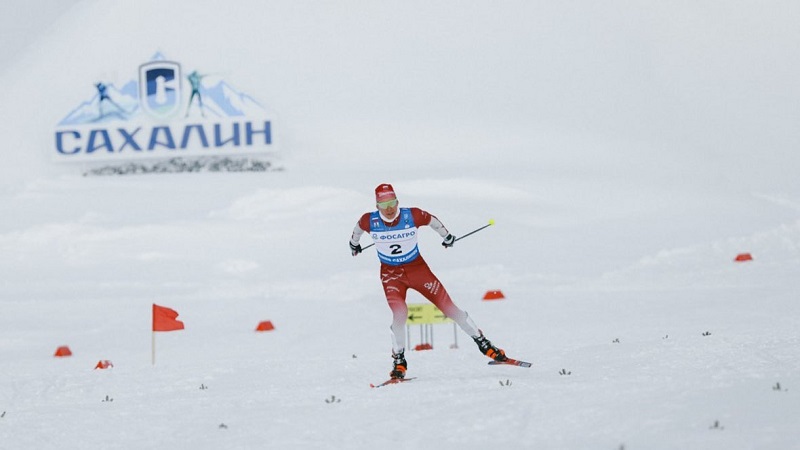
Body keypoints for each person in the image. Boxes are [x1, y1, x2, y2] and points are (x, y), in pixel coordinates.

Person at [349, 183, 507, 379]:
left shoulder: (412, 215)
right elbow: (356, 231)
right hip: (391, 275)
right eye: (383, 204)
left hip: (418, 270)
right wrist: (353, 245)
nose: (389, 209)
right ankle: (399, 361)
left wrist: (447, 236)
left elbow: (433, 221)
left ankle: (484, 344)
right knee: (399, 315)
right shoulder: (369, 220)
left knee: (449, 308)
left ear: (397, 201)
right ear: (377, 206)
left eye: (392, 203)